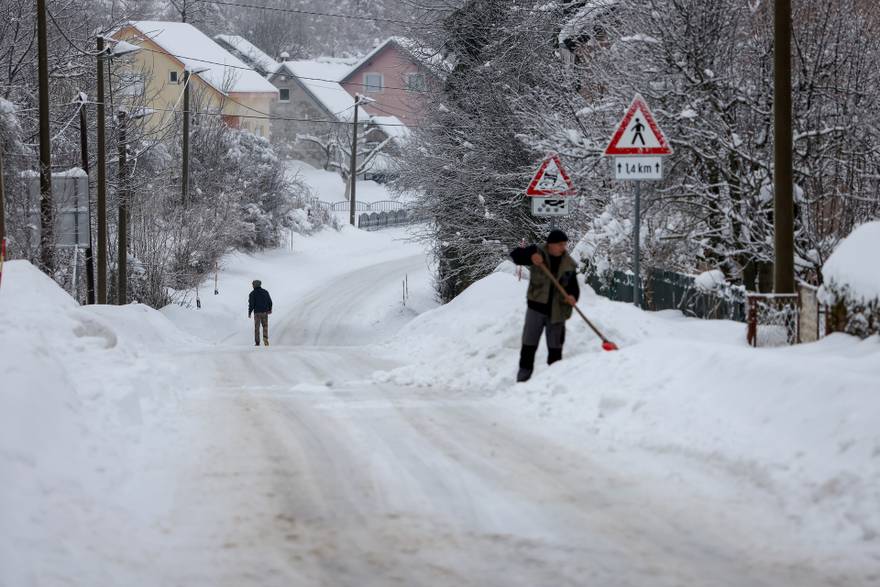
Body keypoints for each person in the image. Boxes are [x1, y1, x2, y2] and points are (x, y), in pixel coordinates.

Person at [510, 230, 580, 382]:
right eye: (560, 244)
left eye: (565, 244)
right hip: (536, 309)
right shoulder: (537, 252)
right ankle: (523, 379)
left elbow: (574, 288)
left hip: (557, 312)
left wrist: (572, 296)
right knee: (529, 344)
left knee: (555, 348)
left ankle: (553, 382)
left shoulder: (568, 263)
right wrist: (530, 257)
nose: (563, 248)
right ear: (550, 245)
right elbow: (515, 255)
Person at [248, 280, 273, 347]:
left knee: (257, 327)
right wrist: (270, 309)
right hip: (265, 312)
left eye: (253, 284)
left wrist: (249, 312)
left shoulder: (252, 293)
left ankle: (257, 342)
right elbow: (270, 301)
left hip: (257, 313)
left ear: (255, 285)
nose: (252, 285)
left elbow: (251, 304)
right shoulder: (265, 292)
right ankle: (265, 339)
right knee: (265, 326)